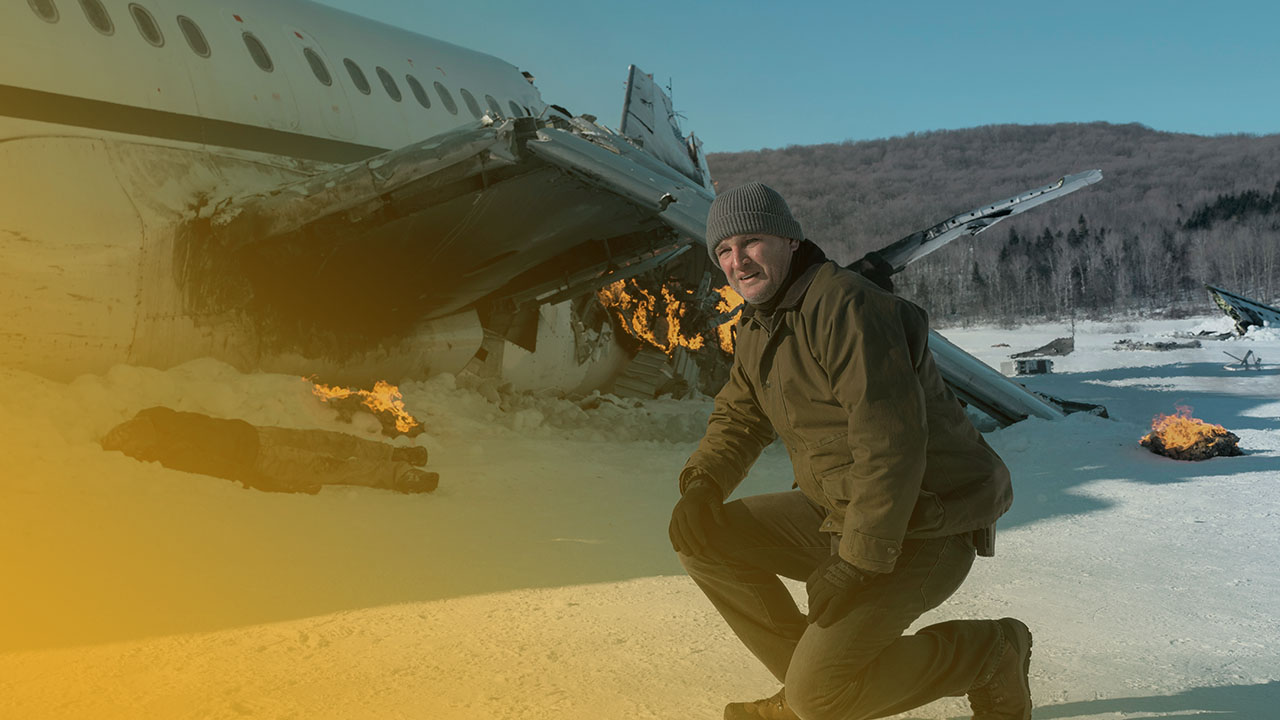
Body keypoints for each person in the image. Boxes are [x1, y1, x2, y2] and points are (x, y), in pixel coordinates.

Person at [669, 183, 1029, 720]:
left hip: (924, 523)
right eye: (723, 251)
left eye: (751, 242)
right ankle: (808, 691)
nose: (737, 261)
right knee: (705, 538)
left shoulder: (847, 306)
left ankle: (987, 654)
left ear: (790, 241)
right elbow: (739, 419)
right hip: (838, 511)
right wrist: (701, 486)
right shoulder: (759, 324)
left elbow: (890, 445)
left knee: (824, 697)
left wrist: (857, 563)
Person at [101, 406, 437, 494]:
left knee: (327, 443)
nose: (127, 431)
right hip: (261, 454)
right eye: (125, 436)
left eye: (124, 430)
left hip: (255, 435)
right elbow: (228, 470)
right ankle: (400, 475)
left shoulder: (160, 423)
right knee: (330, 462)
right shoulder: (168, 448)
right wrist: (281, 485)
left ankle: (392, 455)